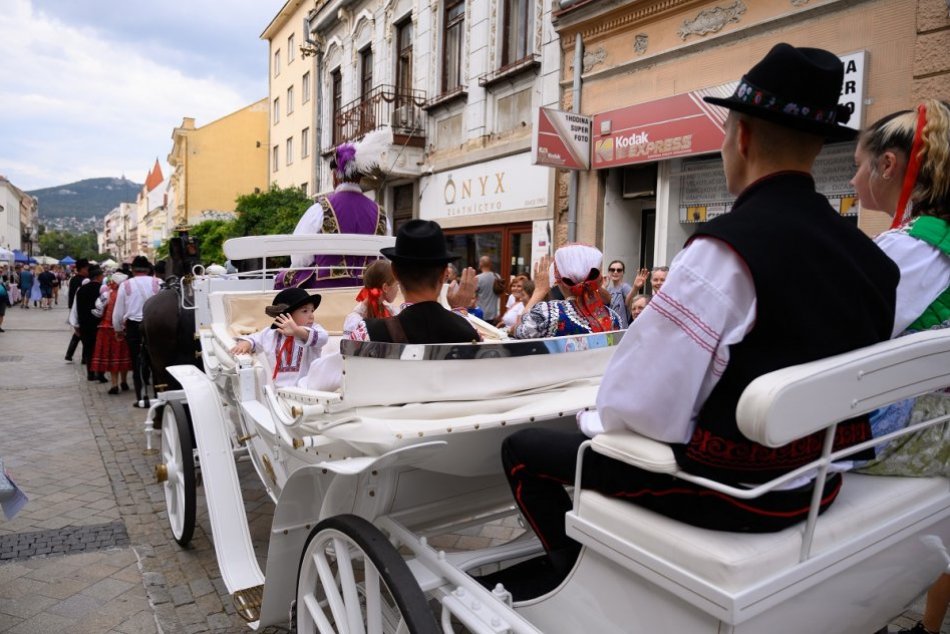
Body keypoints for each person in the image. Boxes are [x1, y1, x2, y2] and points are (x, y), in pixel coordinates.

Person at [488, 44, 899, 600]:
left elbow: (639, 408)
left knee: (523, 449)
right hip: (819, 484)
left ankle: (566, 579)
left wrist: (594, 418)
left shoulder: (724, 253)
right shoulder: (872, 257)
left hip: (734, 493)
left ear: (742, 137)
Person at [847, 99, 950, 634]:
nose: (853, 176)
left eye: (859, 164)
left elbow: (836, 344)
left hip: (913, 433)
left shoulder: (905, 249)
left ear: (888, 166)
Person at [275, 128, 392, 289]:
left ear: (336, 175)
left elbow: (299, 259)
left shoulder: (320, 210)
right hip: (368, 294)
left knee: (284, 278)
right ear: (361, 177)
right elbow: (385, 259)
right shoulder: (382, 215)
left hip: (326, 294)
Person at [346, 219, 478, 344]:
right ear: (445, 274)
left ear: (394, 272)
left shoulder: (365, 333)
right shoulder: (470, 333)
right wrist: (459, 311)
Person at [512, 245, 623, 339]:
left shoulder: (546, 313)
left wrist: (539, 291)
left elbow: (518, 330)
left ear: (559, 280)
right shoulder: (613, 317)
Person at [230, 288, 329, 388]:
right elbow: (255, 339)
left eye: (312, 310)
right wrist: (247, 343)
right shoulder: (271, 334)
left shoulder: (313, 330)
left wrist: (297, 331)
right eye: (305, 311)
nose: (312, 316)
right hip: (281, 393)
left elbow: (323, 338)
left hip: (310, 391)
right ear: (286, 315)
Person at [113, 256, 161, 407]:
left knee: (137, 361)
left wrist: (118, 329)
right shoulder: (158, 282)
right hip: (155, 325)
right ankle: (159, 395)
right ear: (148, 269)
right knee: (156, 362)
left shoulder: (126, 285)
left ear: (132, 270)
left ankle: (141, 397)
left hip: (134, 326)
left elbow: (118, 312)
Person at [90, 272, 132, 395]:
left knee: (112, 356)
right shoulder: (128, 295)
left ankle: (114, 384)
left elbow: (98, 311)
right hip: (125, 327)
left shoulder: (106, 294)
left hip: (107, 328)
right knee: (123, 354)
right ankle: (124, 382)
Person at [342, 259, 399, 336]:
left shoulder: (391, 311)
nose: (397, 290)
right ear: (385, 288)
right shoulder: (355, 320)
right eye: (396, 284)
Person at [74, 266, 106, 382]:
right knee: (100, 349)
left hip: (85, 324)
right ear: (98, 277)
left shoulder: (81, 290)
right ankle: (100, 374)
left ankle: (90, 373)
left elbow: (76, 309)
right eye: (102, 276)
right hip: (99, 324)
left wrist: (76, 325)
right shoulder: (103, 290)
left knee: (88, 349)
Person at [65, 259, 89, 360]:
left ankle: (69, 354)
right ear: (82, 269)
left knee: (78, 333)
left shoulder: (73, 279)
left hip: (74, 308)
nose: (88, 271)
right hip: (79, 309)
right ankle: (84, 357)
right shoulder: (82, 280)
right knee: (83, 333)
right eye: (87, 268)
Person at [603, 260, 633, 328]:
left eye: (619, 270)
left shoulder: (625, 287)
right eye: (612, 270)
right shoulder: (608, 289)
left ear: (623, 272)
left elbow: (630, 304)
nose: (615, 272)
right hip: (610, 328)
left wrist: (635, 288)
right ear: (609, 272)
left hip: (622, 328)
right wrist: (604, 286)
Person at [474, 255, 502, 322]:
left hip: (481, 314)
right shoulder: (497, 277)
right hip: (495, 313)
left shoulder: (478, 278)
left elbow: (472, 295)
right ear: (490, 264)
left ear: (480, 264)